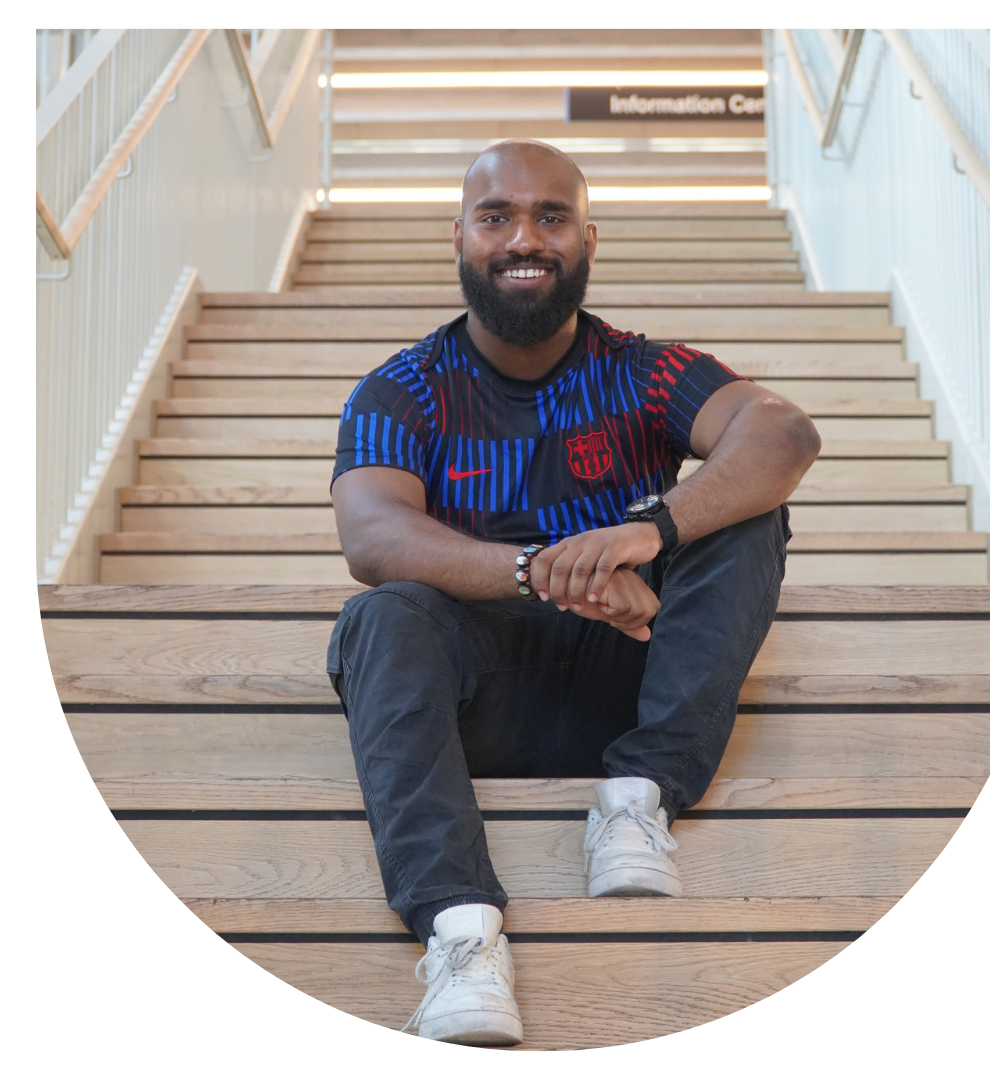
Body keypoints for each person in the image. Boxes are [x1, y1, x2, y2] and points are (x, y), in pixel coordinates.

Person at [327, 139, 821, 1044]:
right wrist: (547, 573)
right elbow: (372, 536)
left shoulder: (644, 370)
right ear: (459, 238)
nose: (526, 237)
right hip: (485, 690)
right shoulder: (400, 391)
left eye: (551, 216)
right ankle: (459, 933)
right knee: (382, 616)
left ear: (588, 238)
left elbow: (783, 431)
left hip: (634, 680)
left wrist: (651, 531)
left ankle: (640, 798)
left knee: (746, 513)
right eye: (497, 217)